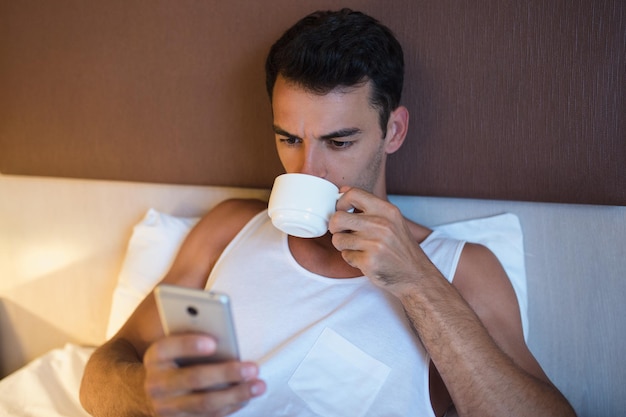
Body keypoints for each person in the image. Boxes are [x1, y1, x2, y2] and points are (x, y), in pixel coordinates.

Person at [80, 9, 576, 417]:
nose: (308, 169)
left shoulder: (459, 268)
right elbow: (100, 373)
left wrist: (415, 280)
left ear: (394, 132)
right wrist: (144, 395)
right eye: (289, 139)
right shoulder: (229, 227)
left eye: (339, 141)